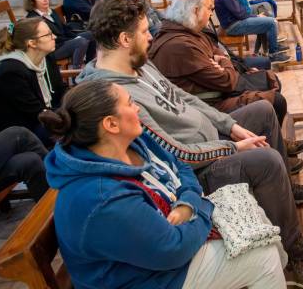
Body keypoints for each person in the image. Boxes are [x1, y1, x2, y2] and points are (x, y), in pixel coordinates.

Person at [79, 0, 303, 282]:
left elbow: (184, 98)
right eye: (143, 32)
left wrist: (229, 125)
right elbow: (175, 153)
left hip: (210, 140)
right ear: (125, 40)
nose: (150, 36)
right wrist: (231, 146)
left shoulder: (138, 63)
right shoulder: (113, 97)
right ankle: (292, 256)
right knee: (265, 160)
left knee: (262, 110)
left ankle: (283, 190)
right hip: (195, 168)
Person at [42, 80, 289, 288]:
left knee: (264, 233)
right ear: (111, 124)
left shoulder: (134, 141)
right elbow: (173, 250)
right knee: (263, 257)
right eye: (130, 103)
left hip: (168, 240)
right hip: (144, 278)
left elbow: (180, 167)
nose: (137, 108)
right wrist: (201, 206)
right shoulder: (100, 197)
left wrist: (187, 204)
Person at [150, 0, 303, 139]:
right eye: (209, 9)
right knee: (276, 100)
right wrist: (223, 61)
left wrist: (220, 60)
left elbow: (216, 50)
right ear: (196, 11)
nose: (211, 13)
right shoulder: (180, 45)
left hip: (213, 89)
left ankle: (277, 140)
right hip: (208, 104)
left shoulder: (188, 30)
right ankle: (276, 146)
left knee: (270, 80)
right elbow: (226, 81)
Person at [0, 17, 65, 146]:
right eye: (48, 35)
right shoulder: (11, 72)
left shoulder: (46, 58)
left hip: (39, 119)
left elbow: (59, 91)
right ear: (32, 43)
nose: (55, 37)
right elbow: (35, 112)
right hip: (10, 135)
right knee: (74, 134)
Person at [183, 0, 273, 71]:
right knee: (269, 22)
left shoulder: (202, 19)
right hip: (229, 69)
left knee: (265, 62)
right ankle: (272, 54)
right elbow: (215, 68)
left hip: (230, 62)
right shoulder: (192, 34)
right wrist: (242, 69)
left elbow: (217, 46)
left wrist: (236, 61)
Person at [213, 0, 290, 63]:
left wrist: (255, 13)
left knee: (265, 12)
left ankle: (272, 44)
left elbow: (239, 9)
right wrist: (256, 16)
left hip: (235, 20)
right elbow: (240, 14)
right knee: (270, 22)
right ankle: (273, 55)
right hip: (234, 25)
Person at [24, 0, 96, 68]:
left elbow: (64, 28)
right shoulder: (33, 19)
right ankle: (76, 73)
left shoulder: (51, 11)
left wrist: (75, 37)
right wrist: (74, 40)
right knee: (81, 42)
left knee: (91, 34)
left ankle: (89, 66)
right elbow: (49, 39)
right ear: (32, 2)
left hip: (64, 41)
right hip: (53, 49)